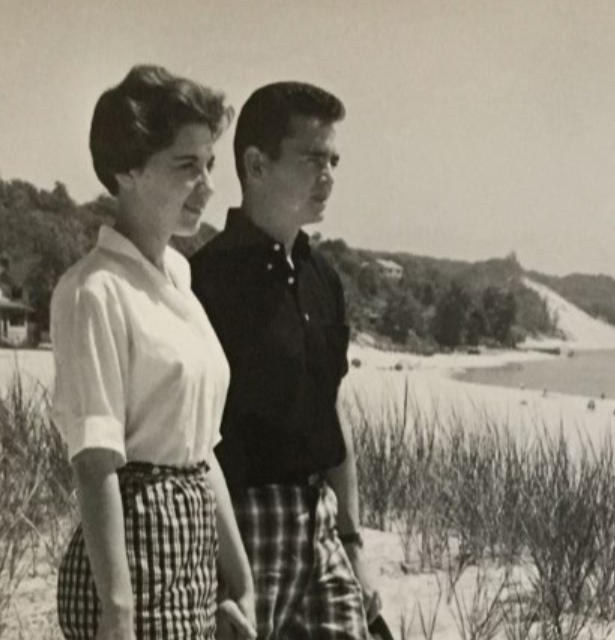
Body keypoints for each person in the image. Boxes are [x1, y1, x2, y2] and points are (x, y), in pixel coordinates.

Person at [50, 64, 256, 640]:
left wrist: (240, 582)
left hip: (191, 559)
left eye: (210, 164)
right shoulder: (94, 290)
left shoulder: (179, 279)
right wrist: (118, 616)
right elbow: (95, 466)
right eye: (187, 166)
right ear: (127, 169)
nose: (209, 186)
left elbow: (200, 448)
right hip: (131, 566)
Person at [190, 81, 380, 640]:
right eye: (312, 158)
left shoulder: (324, 280)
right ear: (256, 164)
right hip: (240, 528)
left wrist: (353, 543)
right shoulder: (203, 283)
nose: (329, 176)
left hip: (319, 523)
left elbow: (331, 416)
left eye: (335, 160)